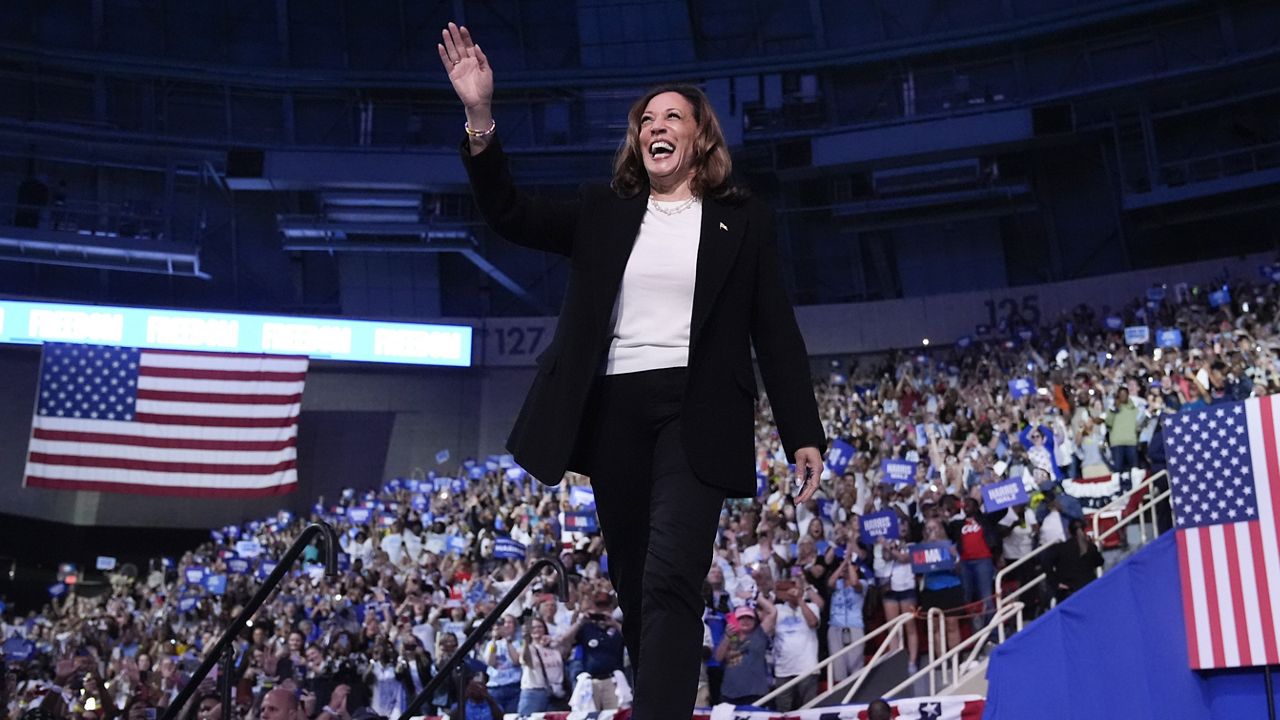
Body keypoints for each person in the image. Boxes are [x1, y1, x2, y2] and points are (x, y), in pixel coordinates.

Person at [439, 21, 825, 720]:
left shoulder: (744, 220)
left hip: (697, 412)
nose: (656, 126)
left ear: (700, 136)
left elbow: (776, 331)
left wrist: (805, 432)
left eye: (672, 116)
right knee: (637, 578)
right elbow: (508, 213)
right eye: (646, 119)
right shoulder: (603, 211)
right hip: (615, 411)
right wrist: (478, 116)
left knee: (673, 575)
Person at [762, 579, 820, 711]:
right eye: (787, 590)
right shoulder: (777, 609)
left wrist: (800, 600)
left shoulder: (812, 606)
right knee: (783, 710)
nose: (791, 592)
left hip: (807, 666)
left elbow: (812, 623)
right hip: (783, 668)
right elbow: (765, 627)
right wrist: (774, 595)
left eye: (794, 588)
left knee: (809, 709)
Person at [713, 606, 771, 707]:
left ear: (755, 620)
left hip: (755, 693)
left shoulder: (759, 634)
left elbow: (772, 612)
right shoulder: (728, 636)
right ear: (736, 620)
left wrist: (757, 596)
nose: (745, 621)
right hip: (729, 693)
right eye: (741, 618)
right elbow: (718, 658)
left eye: (749, 618)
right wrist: (727, 637)